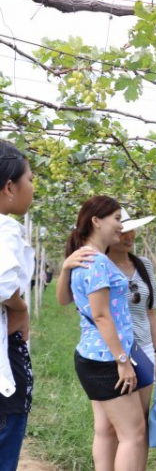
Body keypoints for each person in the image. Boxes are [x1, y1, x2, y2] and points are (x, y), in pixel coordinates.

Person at [57, 208, 156, 426]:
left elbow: (150, 312)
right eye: (123, 230)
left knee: (138, 423)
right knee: (111, 428)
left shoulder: (143, 265)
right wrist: (65, 269)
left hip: (141, 348)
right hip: (114, 351)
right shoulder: (96, 265)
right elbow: (70, 302)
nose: (129, 236)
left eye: (132, 230)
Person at [66, 196, 148, 471]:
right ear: (96, 221)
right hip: (107, 360)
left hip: (92, 356)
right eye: (116, 219)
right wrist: (122, 361)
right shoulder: (97, 262)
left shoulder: (84, 258)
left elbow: (66, 299)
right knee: (133, 435)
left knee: (106, 430)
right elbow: (102, 316)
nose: (121, 227)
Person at [0, 143, 34, 471]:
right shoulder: (5, 227)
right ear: (10, 187)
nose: (32, 188)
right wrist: (19, 306)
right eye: (31, 180)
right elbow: (2, 282)